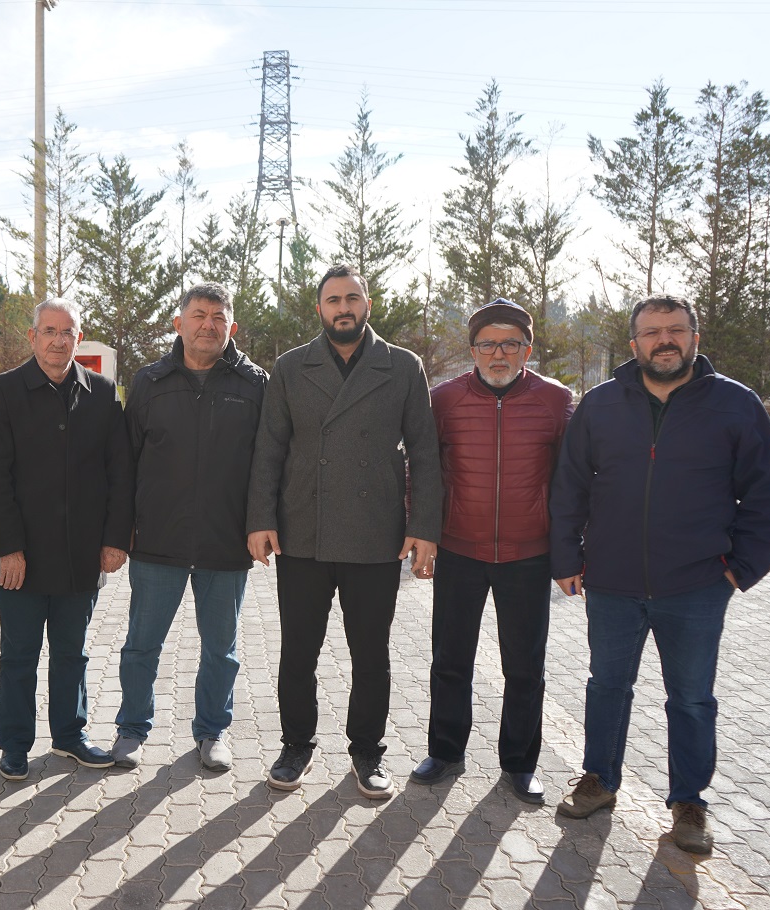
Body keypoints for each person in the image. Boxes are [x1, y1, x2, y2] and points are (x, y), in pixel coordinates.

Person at [551, 294, 770, 853]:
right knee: (607, 686)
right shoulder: (602, 405)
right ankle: (599, 780)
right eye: (652, 331)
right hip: (610, 581)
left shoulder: (734, 404)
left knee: (691, 698)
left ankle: (689, 803)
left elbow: (769, 491)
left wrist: (741, 569)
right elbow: (569, 486)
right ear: (633, 344)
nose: (665, 340)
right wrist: (566, 558)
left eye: (676, 330)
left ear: (694, 338)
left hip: (698, 585)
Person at [247, 264, 441, 797]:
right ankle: (295, 746)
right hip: (302, 530)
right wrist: (261, 519)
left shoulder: (403, 366)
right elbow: (269, 448)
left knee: (371, 654)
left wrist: (424, 527)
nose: (343, 308)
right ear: (320, 309)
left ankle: (367, 752)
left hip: (375, 532)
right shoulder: (291, 367)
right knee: (298, 650)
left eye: (351, 298)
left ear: (368, 304)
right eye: (333, 300)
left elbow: (425, 451)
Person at [413, 299, 572, 804]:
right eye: (487, 343)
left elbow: (572, 480)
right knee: (451, 659)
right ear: (473, 349)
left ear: (527, 348)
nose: (498, 353)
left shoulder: (556, 400)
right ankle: (444, 751)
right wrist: (424, 536)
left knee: (524, 666)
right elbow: (423, 470)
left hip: (528, 554)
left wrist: (571, 549)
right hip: (460, 549)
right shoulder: (443, 399)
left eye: (510, 343)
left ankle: (520, 763)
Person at [0, 297, 133, 781]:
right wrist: (8, 546)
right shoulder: (1, 393)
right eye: (49, 330)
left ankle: (70, 736)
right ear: (33, 336)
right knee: (19, 656)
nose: (58, 340)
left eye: (68, 332)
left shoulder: (103, 393)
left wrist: (114, 540)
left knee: (72, 652)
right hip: (18, 557)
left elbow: (120, 473)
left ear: (78, 338)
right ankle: (15, 746)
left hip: (80, 555)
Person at [111, 282, 267, 773]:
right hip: (158, 541)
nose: (208, 324)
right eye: (199, 315)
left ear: (232, 327)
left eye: (219, 317)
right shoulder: (150, 382)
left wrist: (261, 525)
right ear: (179, 323)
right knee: (141, 645)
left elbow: (269, 462)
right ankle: (132, 728)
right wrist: (120, 531)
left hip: (225, 542)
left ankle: (212, 732)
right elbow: (125, 462)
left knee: (221, 651)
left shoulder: (255, 384)